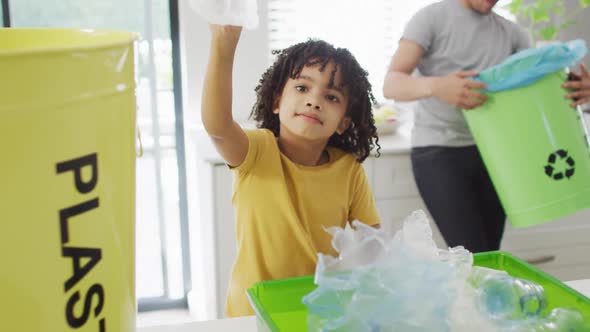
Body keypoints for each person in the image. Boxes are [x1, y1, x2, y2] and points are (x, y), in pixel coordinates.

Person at [202, 24, 381, 317]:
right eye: (302, 87)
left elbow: (373, 244)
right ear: (276, 102)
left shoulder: (348, 169)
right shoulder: (256, 151)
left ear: (343, 122)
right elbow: (218, 125)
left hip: (316, 311)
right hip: (253, 312)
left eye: (332, 97)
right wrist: (224, 43)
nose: (314, 100)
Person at [382, 0, 532, 253]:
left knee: (489, 254)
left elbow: (535, 83)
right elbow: (392, 83)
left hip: (494, 153)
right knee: (472, 253)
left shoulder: (512, 33)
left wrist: (574, 86)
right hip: (440, 151)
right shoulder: (430, 19)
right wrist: (437, 86)